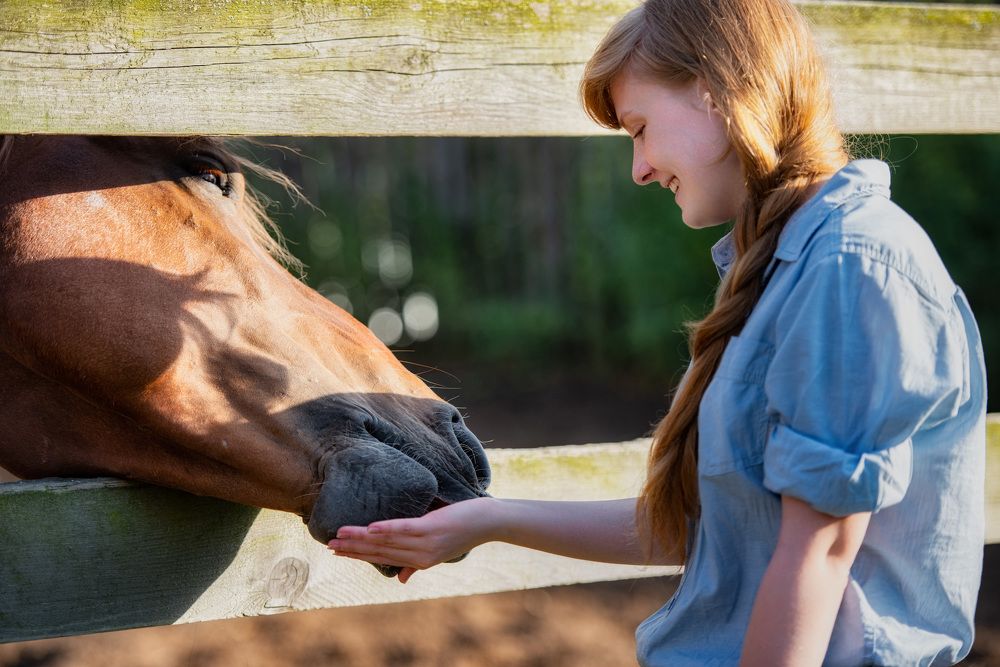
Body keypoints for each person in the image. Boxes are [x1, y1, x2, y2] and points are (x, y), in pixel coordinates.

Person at [327, 0, 987, 663]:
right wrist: (491, 518)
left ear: (714, 93)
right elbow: (703, 531)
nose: (639, 168)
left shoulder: (852, 267)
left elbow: (817, 554)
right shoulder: (785, 268)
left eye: (640, 128)